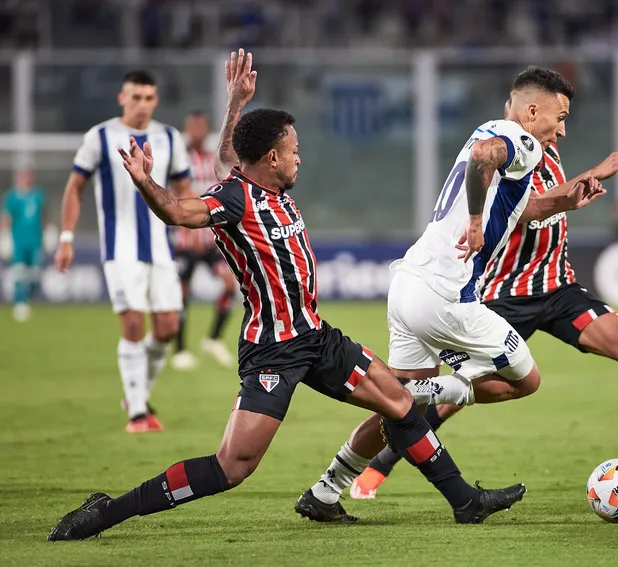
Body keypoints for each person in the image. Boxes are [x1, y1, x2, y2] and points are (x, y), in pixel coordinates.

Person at [47, 50, 526, 542]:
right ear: (272, 157)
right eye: (294, 149)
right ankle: (108, 510)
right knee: (231, 467)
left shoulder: (260, 185)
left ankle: (465, 502)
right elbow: (178, 212)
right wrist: (147, 182)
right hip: (273, 349)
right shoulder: (234, 199)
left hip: (315, 337)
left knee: (399, 402)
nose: (300, 156)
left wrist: (235, 102)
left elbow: (227, 158)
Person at [296, 67, 618, 517]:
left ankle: (327, 489)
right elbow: (484, 156)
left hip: (409, 283)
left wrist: (579, 188)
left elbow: (528, 208)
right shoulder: (518, 139)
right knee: (526, 380)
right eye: (559, 117)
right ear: (531, 110)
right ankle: (422, 391)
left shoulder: (503, 141)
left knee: (395, 409)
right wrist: (477, 220)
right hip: (444, 295)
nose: (561, 128)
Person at [54, 70, 192, 433]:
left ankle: (136, 394)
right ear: (122, 98)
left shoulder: (169, 138)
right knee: (133, 323)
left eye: (149, 98)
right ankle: (137, 414)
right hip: (121, 249)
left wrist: (195, 224)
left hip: (162, 247)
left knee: (167, 328)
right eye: (136, 97)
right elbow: (74, 187)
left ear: (156, 100)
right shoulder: (99, 137)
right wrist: (66, 237)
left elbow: (183, 185)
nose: (142, 105)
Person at [171, 110, 237, 371]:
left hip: (211, 239)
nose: (195, 131)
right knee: (181, 294)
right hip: (185, 241)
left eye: (200, 127)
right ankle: (180, 350)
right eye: (192, 126)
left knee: (229, 283)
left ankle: (213, 339)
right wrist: (189, 232)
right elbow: (174, 198)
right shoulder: (179, 161)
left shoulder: (213, 160)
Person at [1, 169, 46, 322]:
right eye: (23, 176)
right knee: (19, 273)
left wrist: (49, 231)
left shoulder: (38, 195)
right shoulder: (12, 197)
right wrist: (5, 237)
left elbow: (44, 215)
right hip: (18, 242)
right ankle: (20, 303)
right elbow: (6, 217)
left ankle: (29, 298)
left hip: (35, 242)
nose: (25, 179)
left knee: (34, 275)